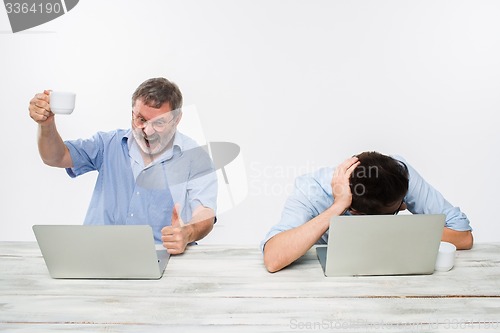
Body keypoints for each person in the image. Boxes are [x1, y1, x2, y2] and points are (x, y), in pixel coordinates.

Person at [29, 77, 217, 254]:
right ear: (132, 113)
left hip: (159, 257)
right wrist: (46, 125)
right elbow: (56, 157)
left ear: (177, 119)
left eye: (159, 123)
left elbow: (205, 211)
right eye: (141, 120)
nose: (148, 131)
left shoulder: (195, 157)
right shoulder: (107, 144)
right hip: (97, 254)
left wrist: (188, 233)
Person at [261, 151, 473, 273]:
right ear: (354, 211)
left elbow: (463, 237)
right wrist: (338, 206)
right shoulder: (311, 190)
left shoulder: (398, 175)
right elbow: (273, 258)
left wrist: (380, 229)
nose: (403, 206)